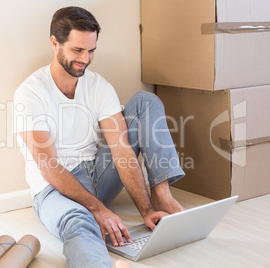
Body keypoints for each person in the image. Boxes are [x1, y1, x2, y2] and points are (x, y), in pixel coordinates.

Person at [13, 6, 185, 268]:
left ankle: (161, 193)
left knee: (144, 101)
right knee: (80, 223)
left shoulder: (97, 85)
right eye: (77, 50)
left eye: (91, 50)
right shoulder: (31, 93)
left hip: (95, 175)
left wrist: (146, 210)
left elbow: (122, 151)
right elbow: (49, 167)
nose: (86, 58)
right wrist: (99, 210)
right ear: (55, 43)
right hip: (53, 189)